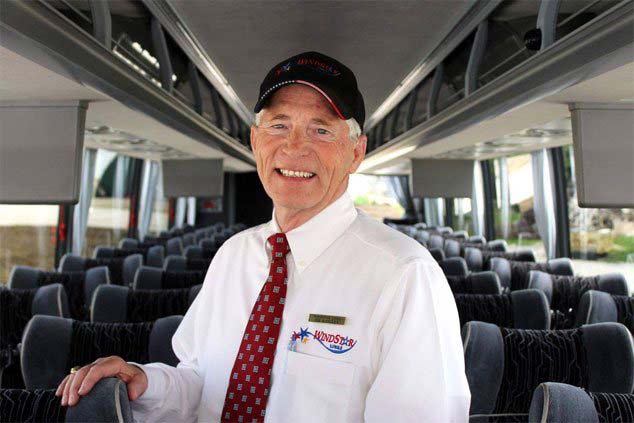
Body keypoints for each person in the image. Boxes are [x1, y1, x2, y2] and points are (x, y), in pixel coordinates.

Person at [56, 51, 470, 422]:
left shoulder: (405, 276)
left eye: (321, 130)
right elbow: (201, 379)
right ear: (256, 141)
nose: (294, 147)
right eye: (279, 125)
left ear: (356, 152)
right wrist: (145, 381)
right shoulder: (234, 255)